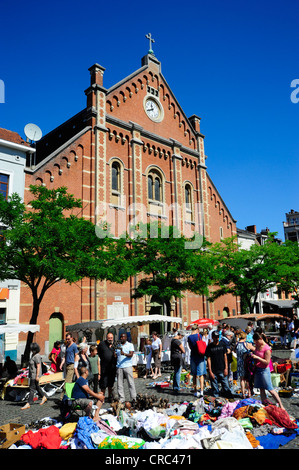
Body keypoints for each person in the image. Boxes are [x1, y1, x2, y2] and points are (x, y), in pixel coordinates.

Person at [251, 332, 284, 409]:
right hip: (258, 369)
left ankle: (281, 405)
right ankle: (264, 404)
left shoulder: (267, 349)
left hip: (264, 370)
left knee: (270, 389)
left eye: (256, 341)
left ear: (260, 339)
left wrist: (257, 358)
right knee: (261, 388)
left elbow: (267, 362)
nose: (256, 343)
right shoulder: (257, 346)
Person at [205, 330, 233, 398]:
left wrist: (226, 368)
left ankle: (228, 398)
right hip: (213, 369)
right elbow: (208, 359)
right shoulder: (209, 346)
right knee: (215, 388)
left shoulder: (222, 345)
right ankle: (216, 399)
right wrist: (210, 371)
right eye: (215, 337)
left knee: (226, 385)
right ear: (212, 337)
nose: (216, 339)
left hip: (222, 368)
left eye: (217, 337)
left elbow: (225, 357)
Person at [21, 343, 47, 410]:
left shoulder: (37, 356)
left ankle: (28, 403)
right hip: (32, 374)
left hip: (35, 375)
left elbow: (38, 366)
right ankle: (44, 397)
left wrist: (37, 376)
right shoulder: (33, 355)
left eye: (32, 349)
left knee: (32, 389)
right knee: (37, 387)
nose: (31, 350)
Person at [116, 333, 137, 403]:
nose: (121, 338)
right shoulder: (118, 345)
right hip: (119, 366)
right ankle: (121, 398)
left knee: (130, 383)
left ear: (126, 338)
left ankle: (133, 397)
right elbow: (116, 355)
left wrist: (124, 353)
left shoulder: (130, 345)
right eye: (121, 337)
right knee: (119, 384)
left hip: (127, 366)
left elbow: (131, 354)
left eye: (123, 337)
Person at [187, 324, 206, 397]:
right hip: (200, 356)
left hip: (193, 356)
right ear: (197, 329)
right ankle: (201, 391)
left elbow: (190, 347)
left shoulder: (189, 337)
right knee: (201, 375)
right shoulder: (199, 336)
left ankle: (195, 390)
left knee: (194, 374)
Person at [97, 332, 117, 401]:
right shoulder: (102, 344)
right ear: (106, 338)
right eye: (109, 338)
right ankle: (101, 398)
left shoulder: (115, 345)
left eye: (111, 338)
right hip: (104, 368)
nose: (110, 339)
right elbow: (98, 353)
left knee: (110, 384)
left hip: (112, 368)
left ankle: (110, 397)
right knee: (103, 384)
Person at [235, 331, 255, 398]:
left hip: (239, 362)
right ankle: (249, 393)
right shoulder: (246, 344)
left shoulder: (237, 344)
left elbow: (235, 351)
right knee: (248, 379)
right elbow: (254, 349)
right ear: (245, 337)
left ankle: (243, 393)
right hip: (246, 363)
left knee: (242, 379)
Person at [170, 330, 185, 395]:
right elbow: (183, 350)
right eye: (182, 336)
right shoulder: (178, 341)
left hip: (173, 356)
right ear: (180, 335)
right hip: (178, 357)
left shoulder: (172, 340)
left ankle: (175, 386)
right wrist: (180, 351)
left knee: (176, 371)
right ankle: (177, 387)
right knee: (178, 372)